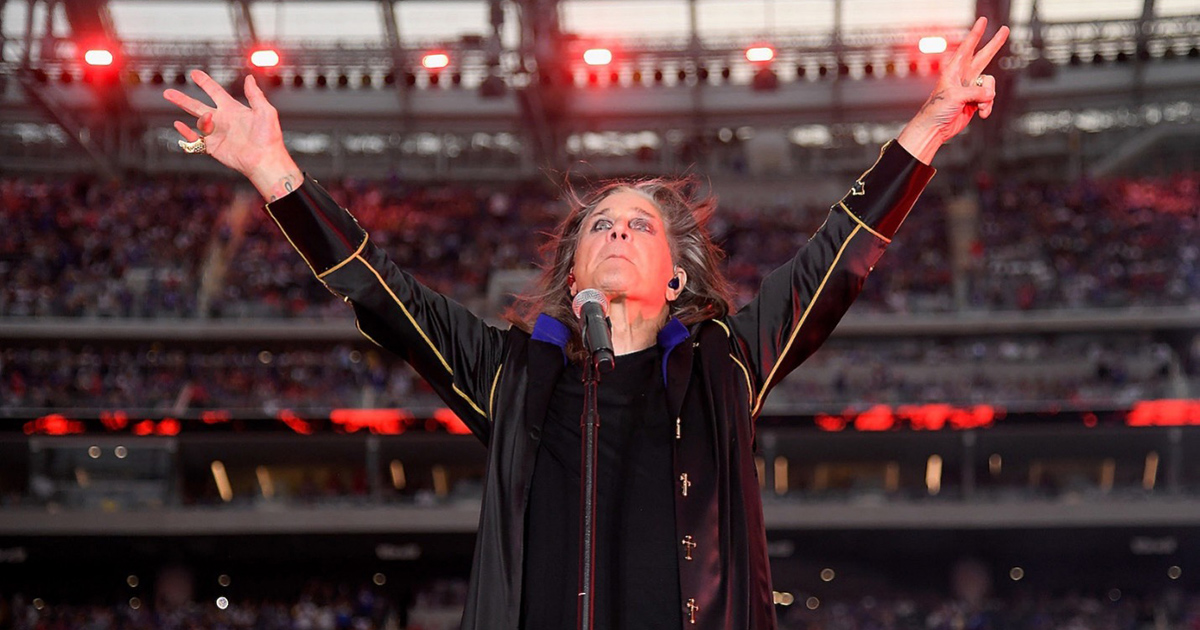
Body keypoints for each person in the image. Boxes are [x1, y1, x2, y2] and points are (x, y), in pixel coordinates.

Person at [165, 17, 1008, 630]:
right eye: (602, 223)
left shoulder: (727, 367)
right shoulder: (509, 374)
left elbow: (834, 263)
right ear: (574, 277)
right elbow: (385, 297)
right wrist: (276, 173)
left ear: (676, 279)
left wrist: (927, 129)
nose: (617, 230)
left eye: (639, 223)